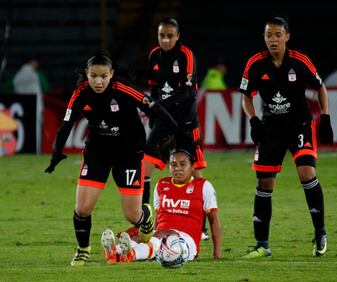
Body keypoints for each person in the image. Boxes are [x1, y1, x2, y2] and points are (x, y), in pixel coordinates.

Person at [44, 54, 182, 266]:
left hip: (128, 154)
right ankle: (82, 250)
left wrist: (177, 132)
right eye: (93, 76)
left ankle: (146, 217)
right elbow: (66, 124)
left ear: (111, 75)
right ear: (87, 75)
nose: (98, 81)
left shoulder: (123, 89)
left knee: (132, 215)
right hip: (98, 152)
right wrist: (56, 152)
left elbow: (154, 107)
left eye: (103, 76)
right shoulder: (81, 93)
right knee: (82, 208)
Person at [239, 16, 334, 258]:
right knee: (264, 183)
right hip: (271, 129)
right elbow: (246, 96)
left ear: (287, 37)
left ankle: (320, 233)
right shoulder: (255, 64)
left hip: (299, 125)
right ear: (264, 37)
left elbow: (320, 86)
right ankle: (262, 244)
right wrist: (253, 119)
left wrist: (325, 117)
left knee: (307, 173)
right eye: (268, 35)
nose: (273, 39)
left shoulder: (300, 61)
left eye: (277, 35)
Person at [143, 18, 208, 239]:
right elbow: (153, 90)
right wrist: (154, 116)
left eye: (170, 36)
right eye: (162, 35)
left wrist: (158, 107)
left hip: (185, 123)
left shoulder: (186, 56)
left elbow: (188, 94)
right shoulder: (154, 56)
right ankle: (145, 220)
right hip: (162, 123)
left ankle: (202, 229)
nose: (166, 40)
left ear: (178, 36)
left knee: (195, 174)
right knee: (144, 169)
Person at [100, 148, 221, 264]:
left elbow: (213, 220)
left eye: (183, 164)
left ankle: (132, 255)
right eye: (173, 165)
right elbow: (159, 217)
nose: (177, 168)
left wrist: (217, 253)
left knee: (161, 235)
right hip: (161, 235)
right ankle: (114, 253)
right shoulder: (162, 184)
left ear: (192, 166)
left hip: (186, 242)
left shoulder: (203, 186)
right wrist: (145, 234)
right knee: (140, 237)